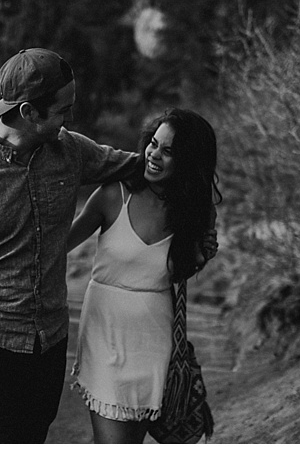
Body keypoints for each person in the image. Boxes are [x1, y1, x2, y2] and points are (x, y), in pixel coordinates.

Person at [0, 48, 144, 443]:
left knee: (35, 433)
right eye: (62, 110)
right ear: (29, 112)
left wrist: (187, 167)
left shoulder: (69, 151)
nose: (70, 118)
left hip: (50, 336)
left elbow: (130, 165)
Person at [65, 108, 221, 443]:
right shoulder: (113, 194)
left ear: (189, 161)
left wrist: (201, 256)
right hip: (104, 332)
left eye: (168, 151)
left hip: (155, 340)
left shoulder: (197, 210)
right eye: (153, 143)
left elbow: (180, 273)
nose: (154, 155)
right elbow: (60, 244)